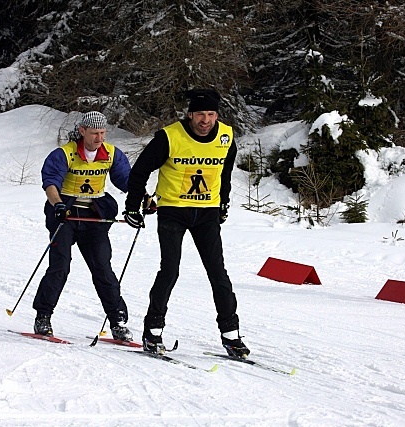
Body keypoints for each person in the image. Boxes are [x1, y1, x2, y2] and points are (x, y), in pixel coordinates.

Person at [123, 88, 249, 358]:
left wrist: (223, 203)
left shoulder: (226, 137)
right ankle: (152, 332)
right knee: (170, 270)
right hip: (173, 211)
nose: (206, 121)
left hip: (206, 212)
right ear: (190, 114)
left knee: (218, 272)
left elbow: (224, 174)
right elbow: (140, 171)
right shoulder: (169, 137)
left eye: (211, 114)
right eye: (200, 114)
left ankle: (231, 335)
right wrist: (133, 205)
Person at [32, 111, 134, 340]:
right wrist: (57, 205)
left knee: (102, 267)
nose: (99, 138)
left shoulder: (111, 154)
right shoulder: (63, 154)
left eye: (102, 133)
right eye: (94, 133)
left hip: (94, 215)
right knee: (61, 265)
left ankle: (118, 321)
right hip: (65, 213)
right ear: (82, 132)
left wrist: (142, 198)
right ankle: (43, 317)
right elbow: (51, 183)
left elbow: (126, 180)